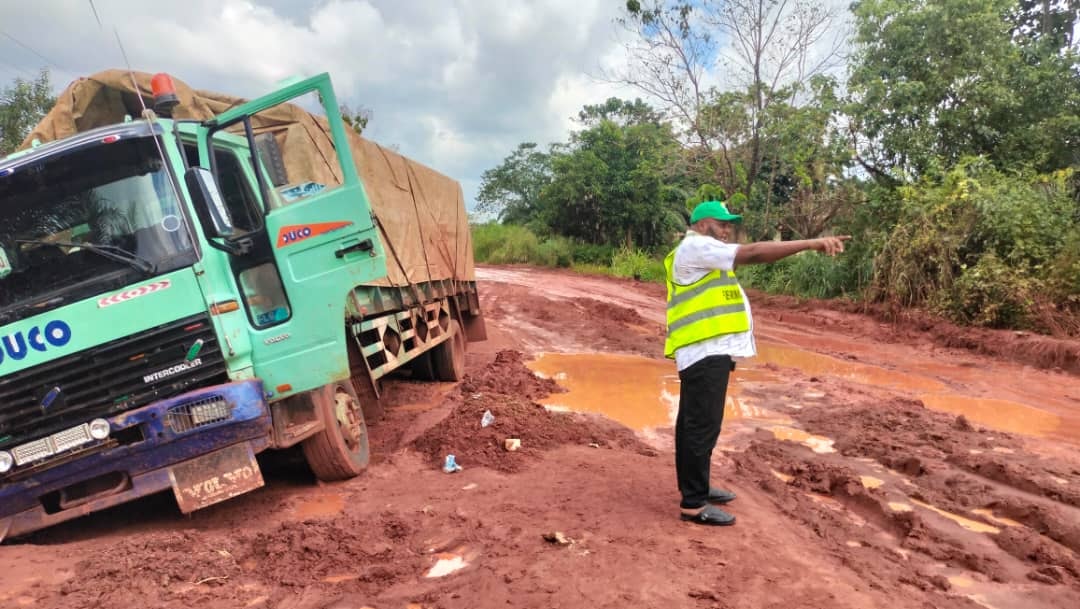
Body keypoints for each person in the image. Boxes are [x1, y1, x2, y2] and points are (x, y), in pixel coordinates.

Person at [666, 200, 849, 526]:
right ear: (704, 222)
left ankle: (699, 487)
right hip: (704, 351)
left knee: (696, 424)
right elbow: (753, 253)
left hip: (707, 350)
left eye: (729, 226)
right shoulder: (698, 246)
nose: (726, 231)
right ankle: (693, 504)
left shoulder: (702, 252)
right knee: (701, 426)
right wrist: (812, 243)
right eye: (722, 224)